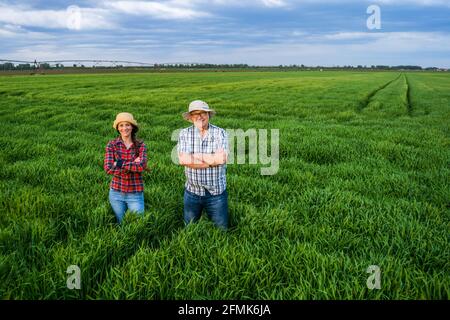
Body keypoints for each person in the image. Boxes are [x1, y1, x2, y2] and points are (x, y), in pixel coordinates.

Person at [177, 100, 229, 230]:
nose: (199, 116)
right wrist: (211, 160)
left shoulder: (220, 133)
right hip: (192, 192)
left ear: (208, 114)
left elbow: (221, 158)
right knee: (189, 229)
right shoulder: (184, 134)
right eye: (195, 114)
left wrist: (194, 157)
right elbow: (183, 160)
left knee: (221, 230)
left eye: (203, 113)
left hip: (216, 193)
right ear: (190, 118)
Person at [104, 112, 148, 223]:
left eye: (127, 125)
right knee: (120, 223)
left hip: (135, 193)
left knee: (138, 224)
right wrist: (133, 163)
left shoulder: (140, 145)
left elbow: (142, 167)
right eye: (121, 125)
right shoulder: (112, 145)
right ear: (118, 128)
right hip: (116, 192)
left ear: (132, 127)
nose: (124, 128)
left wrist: (118, 163)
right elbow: (108, 168)